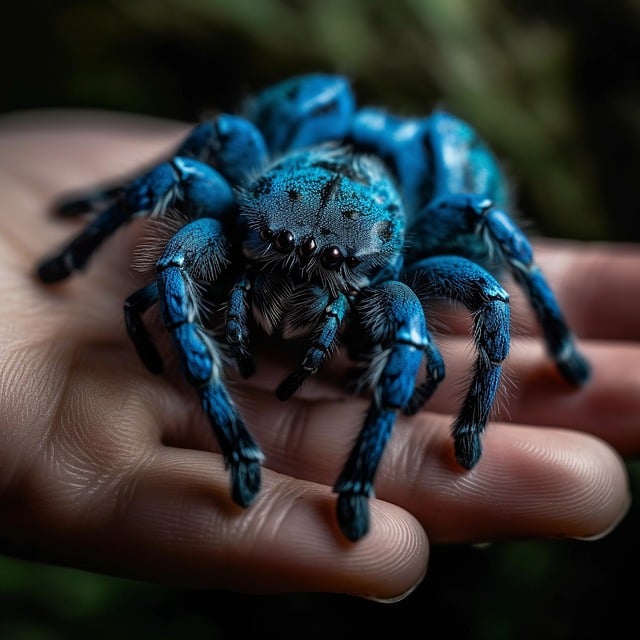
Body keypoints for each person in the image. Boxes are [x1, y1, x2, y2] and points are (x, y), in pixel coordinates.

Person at [0, 108, 637, 603]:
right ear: (252, 205)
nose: (296, 277)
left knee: (480, 296)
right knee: (180, 247)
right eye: (273, 243)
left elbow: (488, 296)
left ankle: (360, 475)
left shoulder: (407, 263)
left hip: (359, 243)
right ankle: (234, 428)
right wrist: (99, 224)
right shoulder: (228, 217)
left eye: (331, 266)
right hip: (282, 215)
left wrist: (479, 408)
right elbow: (187, 190)